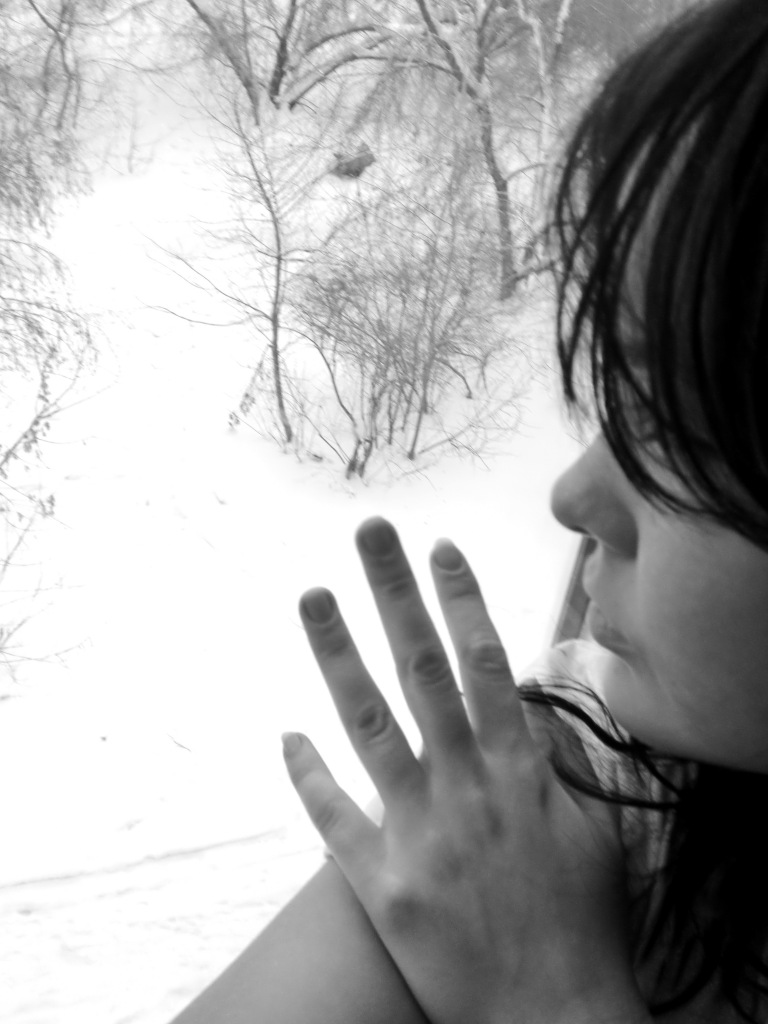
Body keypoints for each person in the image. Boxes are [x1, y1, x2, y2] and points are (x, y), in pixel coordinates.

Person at [170, 1, 768, 1021]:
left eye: (675, 423)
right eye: (617, 400)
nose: (574, 499)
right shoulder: (600, 795)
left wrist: (554, 997)